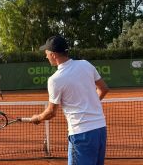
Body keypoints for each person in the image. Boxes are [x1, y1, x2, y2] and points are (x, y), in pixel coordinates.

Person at [30, 35, 109, 165]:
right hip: (100, 130)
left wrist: (37, 118)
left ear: (53, 54)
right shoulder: (86, 64)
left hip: (81, 134)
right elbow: (103, 89)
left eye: (47, 53)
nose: (46, 56)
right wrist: (90, 104)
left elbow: (51, 112)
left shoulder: (55, 80)